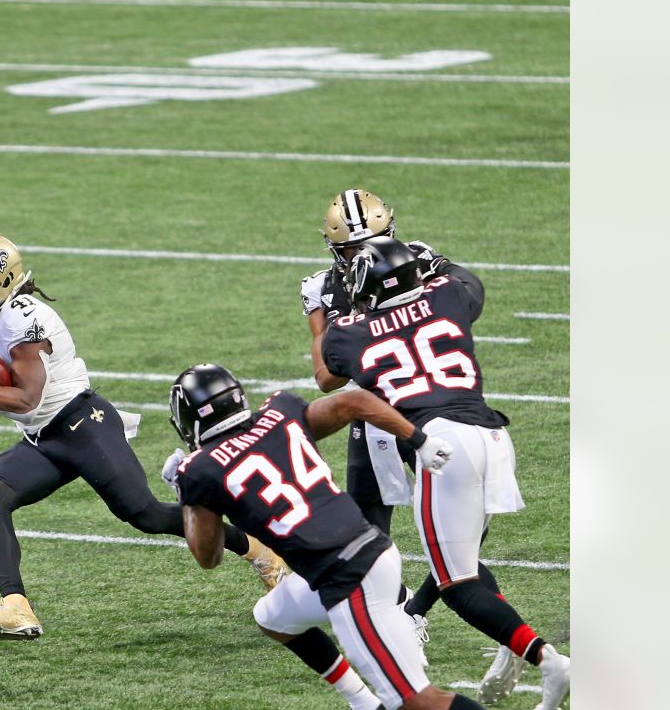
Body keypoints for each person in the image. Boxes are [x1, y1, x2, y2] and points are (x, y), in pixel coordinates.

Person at [0, 232, 286, 641]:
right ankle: (16, 607)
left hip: (83, 423)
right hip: (44, 436)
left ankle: (262, 552)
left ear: (2, 286)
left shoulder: (26, 318)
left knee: (147, 515)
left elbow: (24, 398)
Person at [321, 237, 570, 710]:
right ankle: (525, 650)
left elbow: (329, 370)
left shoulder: (348, 332)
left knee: (456, 584)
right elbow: (466, 282)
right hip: (492, 436)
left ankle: (549, 662)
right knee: (461, 568)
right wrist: (431, 259)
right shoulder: (449, 294)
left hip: (440, 443)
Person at [165, 363, 477, 710]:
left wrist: (188, 498)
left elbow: (208, 558)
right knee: (272, 617)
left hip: (347, 578)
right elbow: (355, 401)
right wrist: (419, 440)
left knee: (418, 702)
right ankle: (362, 703)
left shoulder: (201, 471)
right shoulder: (279, 413)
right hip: (370, 552)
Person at [300, 188, 451, 656]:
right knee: (367, 534)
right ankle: (395, 614)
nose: (363, 254)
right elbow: (326, 377)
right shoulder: (323, 287)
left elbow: (462, 314)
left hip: (433, 401)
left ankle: (417, 609)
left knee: (460, 525)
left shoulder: (419, 261)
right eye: (350, 247)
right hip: (373, 412)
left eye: (375, 240)